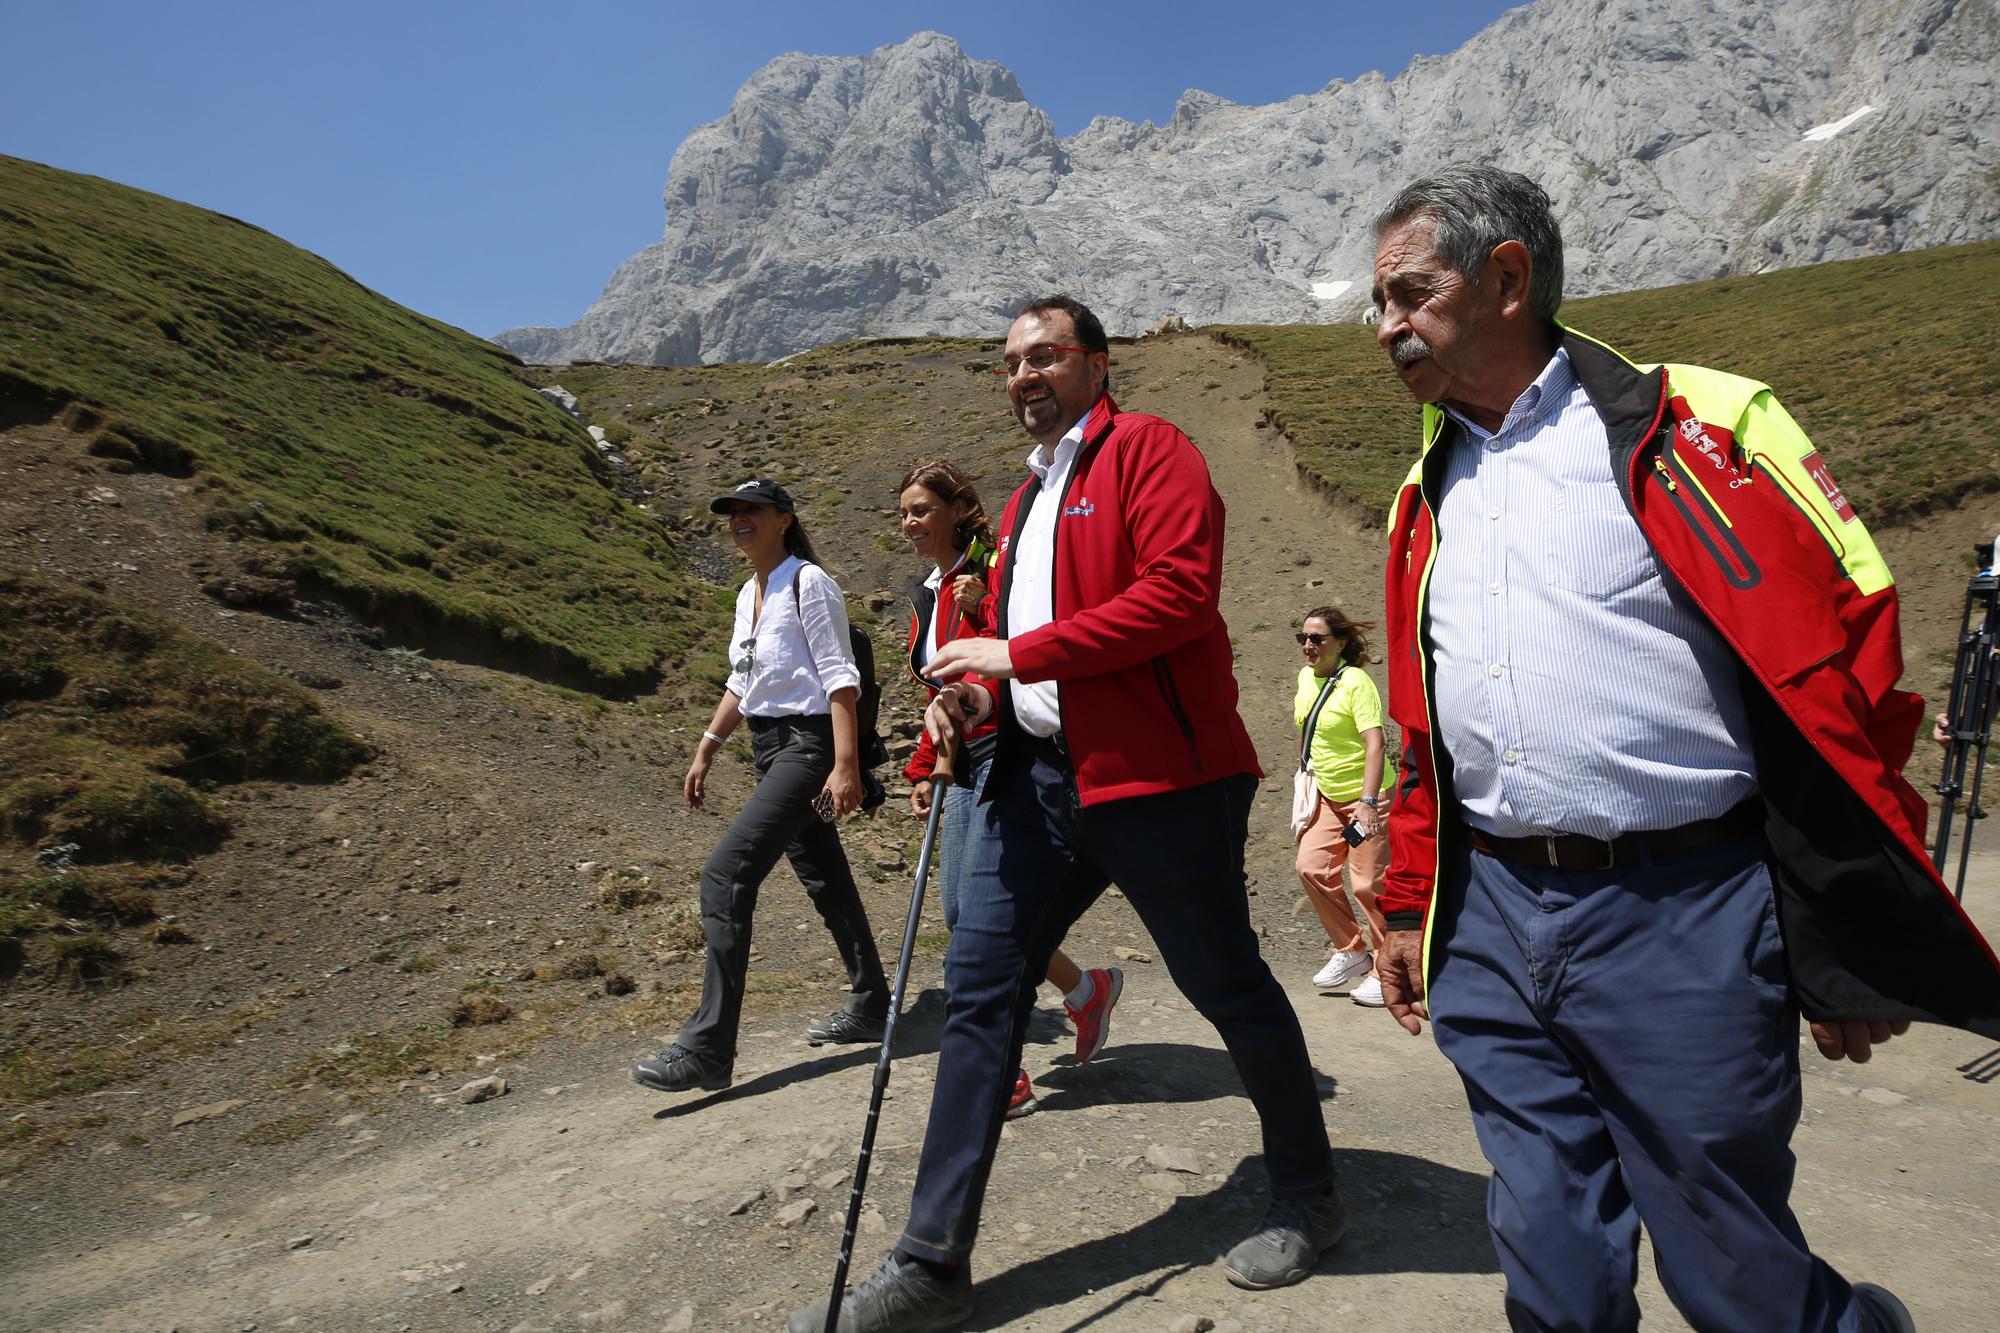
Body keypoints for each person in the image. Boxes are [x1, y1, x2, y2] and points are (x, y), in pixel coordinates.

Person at [1368, 164, 2000, 1332]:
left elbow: (1849, 673)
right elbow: (1419, 731)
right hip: (1496, 916)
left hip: (1685, 914)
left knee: (1733, 1277)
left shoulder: (1706, 428)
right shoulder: (1426, 488)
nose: (1385, 326)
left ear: (1507, 277)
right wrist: (1412, 899)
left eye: (1408, 293)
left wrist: (1849, 932)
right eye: (1379, 302)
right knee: (1550, 1263)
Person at [788, 296, 1342, 1333]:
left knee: (1223, 979)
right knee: (981, 996)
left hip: (1159, 777)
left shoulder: (1150, 451)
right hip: (1035, 781)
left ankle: (1308, 1192)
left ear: (1095, 362)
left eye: (1045, 356)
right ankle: (931, 1262)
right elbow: (1003, 640)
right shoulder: (1028, 495)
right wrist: (970, 695)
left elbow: (1179, 591)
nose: (1023, 375)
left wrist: (1014, 657)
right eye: (1009, 362)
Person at [632, 480, 890, 1095]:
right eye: (732, 513)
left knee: (724, 876)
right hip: (769, 747)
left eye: (751, 511)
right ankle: (873, 998)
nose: (739, 520)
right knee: (823, 873)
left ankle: (708, 1048)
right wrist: (707, 748)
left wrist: (846, 765)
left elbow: (839, 678)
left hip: (808, 746)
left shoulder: (808, 582)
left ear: (783, 518)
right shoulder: (751, 592)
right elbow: (743, 683)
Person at [896, 460, 1123, 1121]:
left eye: (920, 510)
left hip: (1008, 752)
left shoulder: (988, 571)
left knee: (974, 921)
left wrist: (984, 601)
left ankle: (1005, 1071)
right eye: (904, 512)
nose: (909, 522)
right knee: (962, 916)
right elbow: (943, 688)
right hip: (960, 761)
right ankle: (1085, 990)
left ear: (954, 510)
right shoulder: (927, 595)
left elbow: (1017, 648)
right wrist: (921, 766)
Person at [1289, 606, 1389, 1006]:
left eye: (1317, 638)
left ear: (1341, 643)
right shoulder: (1304, 678)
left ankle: (1389, 970)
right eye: (1303, 639)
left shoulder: (1356, 683)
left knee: (1368, 885)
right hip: (1328, 798)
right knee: (1310, 867)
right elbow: (1308, 733)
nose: (1308, 646)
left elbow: (1375, 744)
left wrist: (1367, 801)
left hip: (1366, 800)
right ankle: (1351, 951)